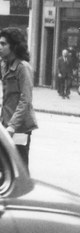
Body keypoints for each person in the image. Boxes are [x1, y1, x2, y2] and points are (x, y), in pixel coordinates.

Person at [1, 27, 38, 169]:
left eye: (4, 44)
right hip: (6, 124)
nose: (0, 47)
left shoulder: (23, 68)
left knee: (19, 168)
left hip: (19, 127)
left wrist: (12, 127)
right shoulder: (4, 65)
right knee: (5, 168)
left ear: (14, 46)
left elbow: (25, 100)